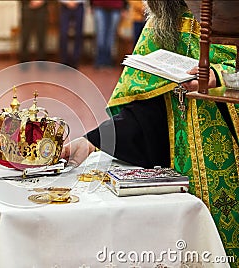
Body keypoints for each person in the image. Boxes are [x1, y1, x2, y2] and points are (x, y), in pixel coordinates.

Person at [61, 0, 239, 264]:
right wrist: (92, 142)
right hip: (181, 166)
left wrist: (219, 76)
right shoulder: (164, 21)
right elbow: (144, 112)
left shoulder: (231, 16)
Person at [90, 0, 126, 68]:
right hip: (99, 5)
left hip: (116, 6)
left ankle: (108, 60)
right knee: (100, 33)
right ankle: (100, 59)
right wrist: (91, 4)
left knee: (111, 35)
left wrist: (125, 6)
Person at [58, 0, 85, 69]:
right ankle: (64, 61)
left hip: (79, 5)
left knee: (78, 34)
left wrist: (76, 2)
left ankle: (75, 60)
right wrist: (67, 2)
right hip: (65, 6)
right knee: (63, 34)